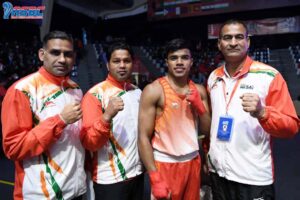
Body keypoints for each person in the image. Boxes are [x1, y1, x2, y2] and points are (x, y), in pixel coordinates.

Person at [207, 19, 300, 200]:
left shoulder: (269, 76)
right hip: (218, 173)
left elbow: (291, 126)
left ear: (248, 41)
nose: (233, 42)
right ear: (219, 44)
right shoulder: (213, 77)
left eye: (239, 37)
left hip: (253, 177)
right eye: (227, 38)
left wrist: (262, 113)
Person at [1, 31, 86, 200]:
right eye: (55, 52)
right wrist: (60, 121)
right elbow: (13, 148)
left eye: (68, 54)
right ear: (42, 54)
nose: (62, 59)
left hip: (76, 190)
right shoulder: (22, 90)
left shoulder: (75, 89)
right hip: (41, 194)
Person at [138, 38, 211, 200]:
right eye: (174, 58)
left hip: (193, 162)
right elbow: (143, 136)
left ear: (191, 62)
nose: (179, 62)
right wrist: (155, 178)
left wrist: (201, 109)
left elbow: (206, 132)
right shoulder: (153, 91)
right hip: (165, 164)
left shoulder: (199, 91)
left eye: (184, 58)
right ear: (166, 62)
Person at [80, 41, 144, 200]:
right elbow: (90, 143)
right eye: (116, 61)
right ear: (108, 65)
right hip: (109, 179)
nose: (122, 65)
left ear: (132, 64)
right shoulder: (94, 95)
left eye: (126, 61)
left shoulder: (138, 92)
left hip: (137, 174)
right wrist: (106, 116)